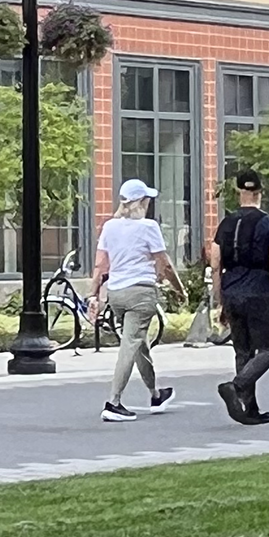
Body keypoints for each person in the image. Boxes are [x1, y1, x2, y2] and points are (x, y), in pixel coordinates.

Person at [90, 180, 187, 422]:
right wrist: (180, 290)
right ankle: (113, 403)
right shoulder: (148, 227)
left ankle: (156, 395)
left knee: (138, 343)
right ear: (141, 202)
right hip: (140, 293)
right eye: (147, 200)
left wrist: (94, 294)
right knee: (130, 344)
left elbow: (101, 264)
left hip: (117, 294)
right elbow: (164, 264)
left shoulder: (110, 227)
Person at [208, 171, 269, 426]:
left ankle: (249, 407)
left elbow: (215, 264)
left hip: (231, 289)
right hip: (258, 290)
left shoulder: (226, 224)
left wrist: (220, 298)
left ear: (238, 192)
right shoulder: (268, 223)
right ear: (260, 193)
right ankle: (236, 386)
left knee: (242, 349)